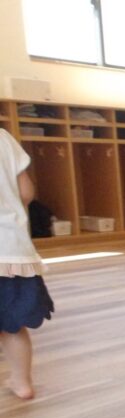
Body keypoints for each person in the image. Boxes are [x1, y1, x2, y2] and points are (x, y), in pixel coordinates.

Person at [0, 129, 54, 400]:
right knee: (12, 326)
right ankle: (22, 383)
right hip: (11, 251)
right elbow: (26, 191)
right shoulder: (3, 138)